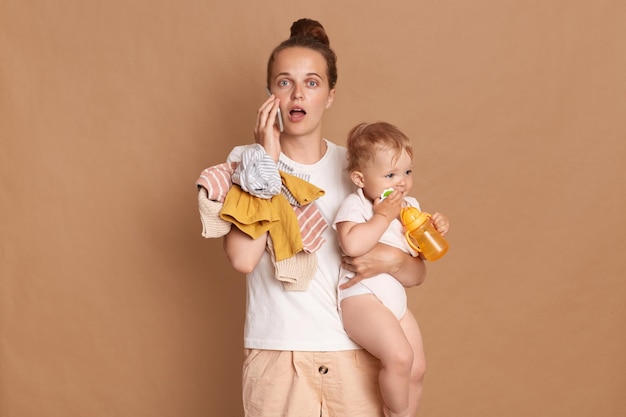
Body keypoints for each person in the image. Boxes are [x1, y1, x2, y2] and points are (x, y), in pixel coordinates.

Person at [220, 18, 428, 417]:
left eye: (312, 83)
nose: (298, 94)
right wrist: (267, 159)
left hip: (354, 355)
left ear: (330, 95)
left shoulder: (359, 168)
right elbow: (244, 258)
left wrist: (394, 260)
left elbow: (416, 272)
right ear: (270, 95)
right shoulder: (245, 163)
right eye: (284, 82)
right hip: (280, 358)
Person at [333, 122, 450, 417]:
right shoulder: (356, 205)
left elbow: (418, 256)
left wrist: (433, 229)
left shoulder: (409, 205)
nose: (401, 183)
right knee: (399, 357)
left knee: (417, 367)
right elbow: (352, 244)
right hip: (361, 298)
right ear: (360, 179)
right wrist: (383, 217)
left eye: (407, 172)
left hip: (394, 299)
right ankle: (394, 412)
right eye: (390, 175)